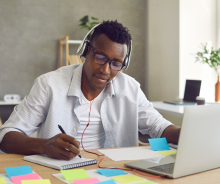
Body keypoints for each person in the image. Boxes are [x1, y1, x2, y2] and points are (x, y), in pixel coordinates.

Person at [0, 20, 180, 160]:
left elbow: (158, 126)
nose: (105, 70)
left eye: (116, 63)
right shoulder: (49, 84)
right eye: (100, 57)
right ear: (85, 51)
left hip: (113, 172)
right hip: (59, 173)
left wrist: (183, 134)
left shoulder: (130, 88)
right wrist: (44, 145)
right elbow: (6, 136)